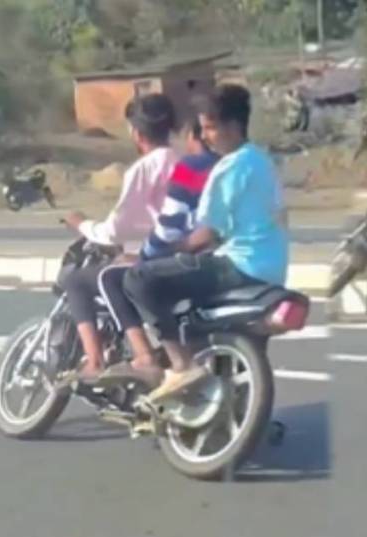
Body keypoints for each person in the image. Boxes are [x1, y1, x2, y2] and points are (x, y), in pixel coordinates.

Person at [123, 84, 289, 403]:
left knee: (139, 278)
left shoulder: (227, 168)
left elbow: (205, 234)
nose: (206, 136)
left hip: (239, 265)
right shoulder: (263, 162)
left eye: (210, 127)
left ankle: (181, 365)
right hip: (273, 269)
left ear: (232, 126)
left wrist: (169, 253)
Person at [60, 94, 179, 383]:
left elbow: (116, 229)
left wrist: (83, 224)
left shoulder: (144, 168)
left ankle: (102, 359)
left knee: (81, 280)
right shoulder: (185, 162)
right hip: (184, 251)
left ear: (136, 133)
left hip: (157, 255)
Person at [96, 117, 221, 385]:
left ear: (194, 135)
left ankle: (153, 359)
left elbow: (169, 227)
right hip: (231, 257)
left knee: (116, 277)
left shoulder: (191, 167)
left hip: (194, 258)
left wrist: (144, 256)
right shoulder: (230, 165)